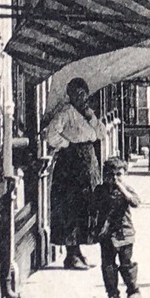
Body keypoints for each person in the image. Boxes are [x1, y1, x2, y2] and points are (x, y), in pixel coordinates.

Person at [43, 77, 109, 270]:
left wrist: (91, 117)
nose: (81, 98)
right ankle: (71, 255)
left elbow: (101, 133)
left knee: (86, 206)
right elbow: (51, 135)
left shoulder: (88, 114)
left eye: (83, 93)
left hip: (88, 162)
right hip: (71, 165)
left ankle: (79, 252)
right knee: (71, 208)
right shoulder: (66, 113)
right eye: (76, 94)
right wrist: (68, 145)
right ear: (70, 95)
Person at [89, 157, 141, 298]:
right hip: (106, 234)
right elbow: (93, 209)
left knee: (126, 264)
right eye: (111, 175)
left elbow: (135, 202)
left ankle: (133, 292)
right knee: (108, 266)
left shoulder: (127, 189)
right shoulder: (100, 190)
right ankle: (113, 296)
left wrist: (122, 189)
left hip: (125, 233)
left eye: (119, 174)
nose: (115, 178)